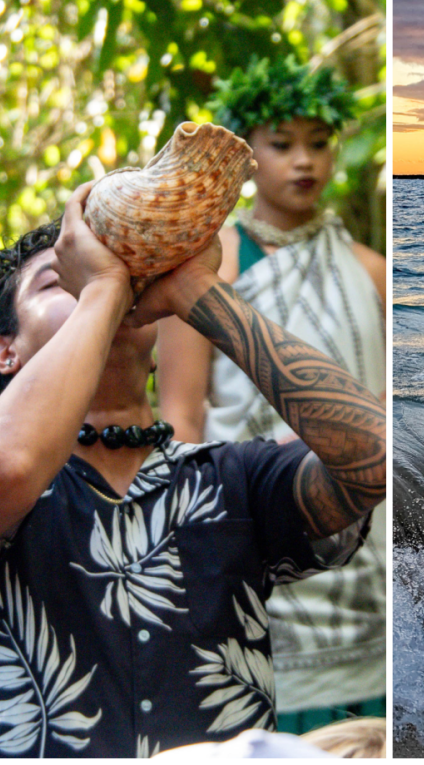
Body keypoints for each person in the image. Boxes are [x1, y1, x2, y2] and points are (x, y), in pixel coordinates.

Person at [0, 183, 385, 757]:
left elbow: (372, 454)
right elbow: (6, 472)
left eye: (128, 281)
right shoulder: (10, 481)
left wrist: (197, 289)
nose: (112, 287)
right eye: (59, 283)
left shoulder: (234, 477)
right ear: (5, 352)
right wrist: (102, 289)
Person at [156, 56, 388, 733]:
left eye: (318, 142)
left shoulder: (370, 270)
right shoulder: (204, 265)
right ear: (245, 153)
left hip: (356, 538)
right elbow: (181, 415)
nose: (303, 161)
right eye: (281, 143)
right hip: (248, 524)